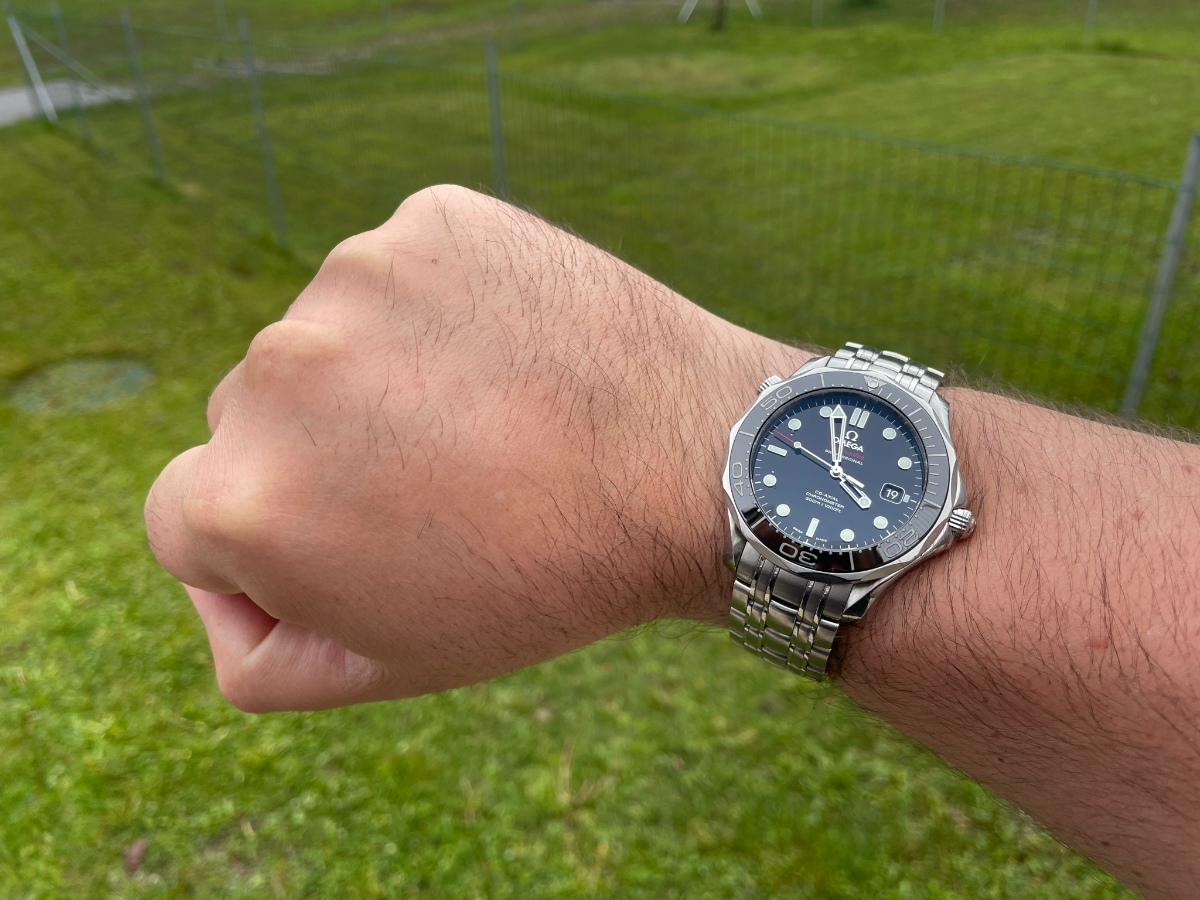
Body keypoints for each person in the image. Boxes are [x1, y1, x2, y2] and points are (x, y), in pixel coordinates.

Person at [144, 185, 1200, 899]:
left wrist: (666, 449)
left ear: (948, 520)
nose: (841, 476)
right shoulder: (795, 446)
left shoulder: (906, 496)